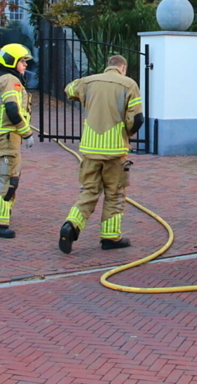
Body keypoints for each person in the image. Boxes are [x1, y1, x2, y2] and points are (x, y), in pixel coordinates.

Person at [59, 55, 143, 253]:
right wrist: (127, 133)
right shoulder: (129, 84)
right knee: (115, 193)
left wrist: (85, 98)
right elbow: (137, 118)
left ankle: (71, 224)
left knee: (89, 191)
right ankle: (110, 237)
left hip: (90, 148)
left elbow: (69, 90)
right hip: (115, 151)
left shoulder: (88, 81)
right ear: (123, 67)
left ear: (108, 66)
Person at [0, 43, 35, 239]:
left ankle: (3, 213)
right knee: (7, 178)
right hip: (7, 135)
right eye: (23, 61)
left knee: (12, 176)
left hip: (6, 135)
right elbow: (12, 110)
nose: (25, 65)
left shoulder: (4, 79)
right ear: (12, 61)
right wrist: (27, 133)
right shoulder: (10, 80)